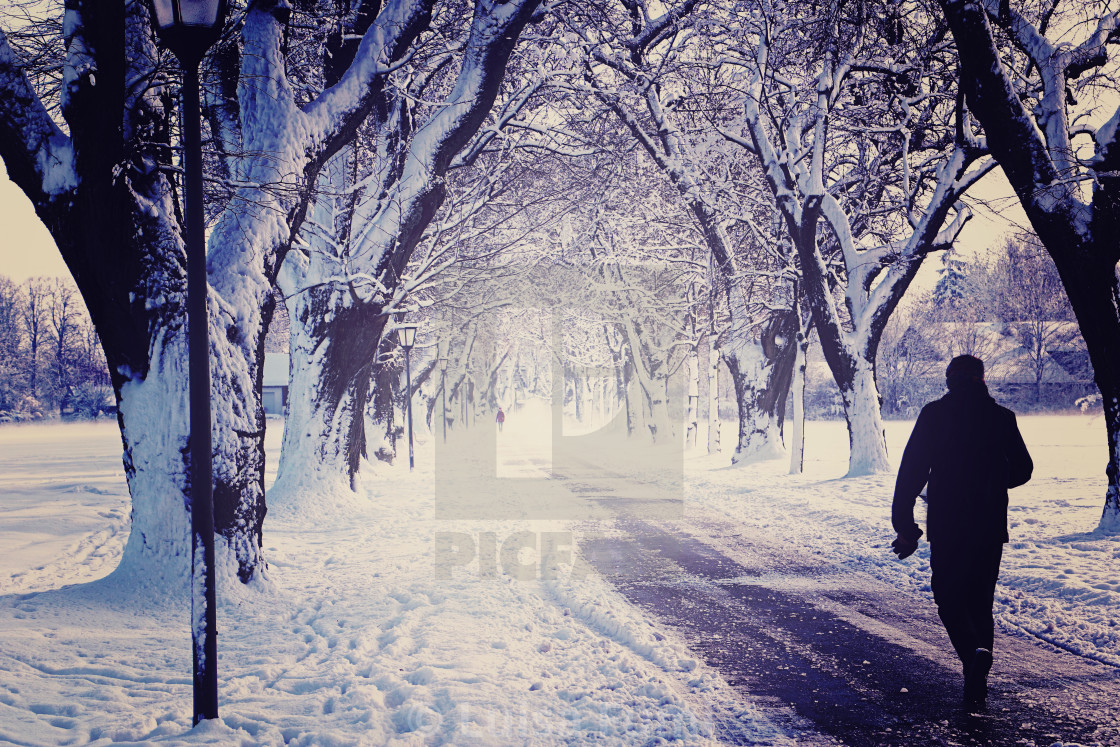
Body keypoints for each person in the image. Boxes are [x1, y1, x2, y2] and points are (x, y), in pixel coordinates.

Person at [891, 354, 1033, 709]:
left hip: (948, 523)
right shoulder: (1002, 418)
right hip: (989, 525)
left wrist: (905, 528)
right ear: (982, 380)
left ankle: (972, 657)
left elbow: (911, 472)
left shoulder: (935, 415)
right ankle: (977, 675)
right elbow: (1024, 469)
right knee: (980, 603)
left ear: (949, 380)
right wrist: (993, 481)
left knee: (948, 596)